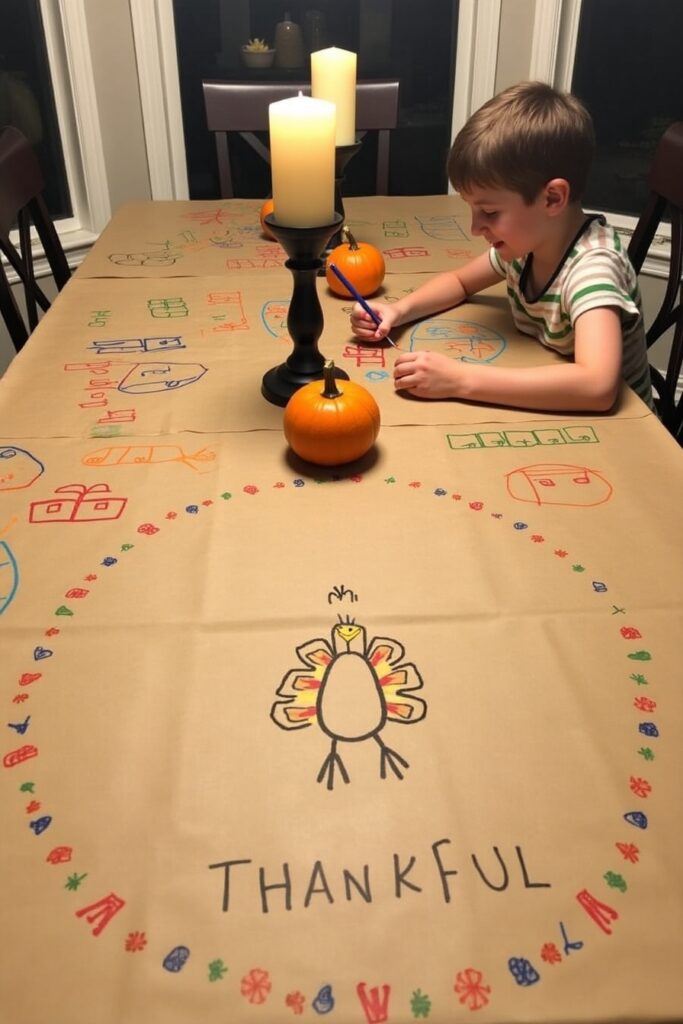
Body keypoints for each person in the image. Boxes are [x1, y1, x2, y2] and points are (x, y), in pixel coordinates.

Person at [350, 81, 655, 414]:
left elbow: (596, 387)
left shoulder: (592, 268)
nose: (475, 227)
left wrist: (459, 379)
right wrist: (398, 311)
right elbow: (461, 282)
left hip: (624, 436)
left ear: (552, 198)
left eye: (490, 212)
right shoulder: (528, 243)